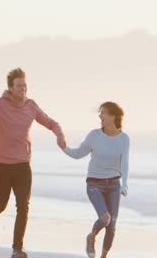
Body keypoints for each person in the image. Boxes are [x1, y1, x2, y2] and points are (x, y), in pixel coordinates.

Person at [0, 68, 65, 258]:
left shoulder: (31, 106)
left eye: (25, 85)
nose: (23, 89)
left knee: (23, 206)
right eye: (19, 86)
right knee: (2, 203)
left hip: (23, 164)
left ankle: (17, 248)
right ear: (11, 88)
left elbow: (50, 122)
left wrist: (60, 135)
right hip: (3, 165)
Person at [61, 102, 129, 258]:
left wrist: (124, 184)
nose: (100, 116)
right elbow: (78, 154)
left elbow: (124, 162)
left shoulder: (124, 139)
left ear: (113, 116)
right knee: (105, 218)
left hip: (114, 184)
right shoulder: (94, 135)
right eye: (100, 113)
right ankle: (91, 236)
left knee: (112, 225)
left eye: (103, 113)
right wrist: (64, 147)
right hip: (94, 184)